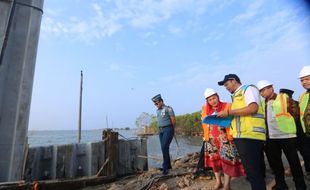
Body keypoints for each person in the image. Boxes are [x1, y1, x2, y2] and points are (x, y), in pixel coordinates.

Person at [217, 74, 266, 190]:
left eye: (226, 84)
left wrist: (229, 113)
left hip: (250, 136)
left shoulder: (248, 89)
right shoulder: (235, 96)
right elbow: (239, 117)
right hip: (243, 136)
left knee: (253, 171)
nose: (226, 87)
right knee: (252, 171)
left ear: (233, 80)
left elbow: (253, 108)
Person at [257, 80, 306, 190]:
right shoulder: (262, 103)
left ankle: (300, 185)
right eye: (261, 91)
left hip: (287, 136)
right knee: (276, 164)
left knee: (294, 163)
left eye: (264, 89)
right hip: (271, 138)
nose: (262, 93)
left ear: (271, 88)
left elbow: (296, 113)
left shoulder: (283, 98)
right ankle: (281, 184)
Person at [201, 88, 245, 190]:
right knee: (214, 161)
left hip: (225, 139)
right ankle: (218, 181)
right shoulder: (204, 109)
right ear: (207, 101)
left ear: (217, 96)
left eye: (214, 98)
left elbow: (233, 120)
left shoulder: (227, 106)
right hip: (211, 139)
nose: (213, 101)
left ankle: (227, 184)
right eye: (210, 100)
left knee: (227, 161)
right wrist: (205, 137)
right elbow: (204, 123)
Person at [279, 88, 310, 176]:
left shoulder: (291, 104)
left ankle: (306, 170)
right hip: (295, 132)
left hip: (296, 132)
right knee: (300, 153)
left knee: (303, 152)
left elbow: (295, 117)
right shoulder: (290, 104)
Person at [151, 94, 176, 175]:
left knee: (165, 146)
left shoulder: (168, 109)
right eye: (155, 104)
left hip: (168, 129)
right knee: (164, 148)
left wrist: (172, 130)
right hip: (160, 131)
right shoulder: (157, 110)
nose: (156, 105)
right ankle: (168, 166)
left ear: (161, 101)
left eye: (157, 103)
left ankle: (165, 167)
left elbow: (173, 120)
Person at [299, 65, 310, 176]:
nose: (304, 82)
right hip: (306, 134)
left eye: (307, 78)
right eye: (302, 80)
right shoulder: (302, 96)